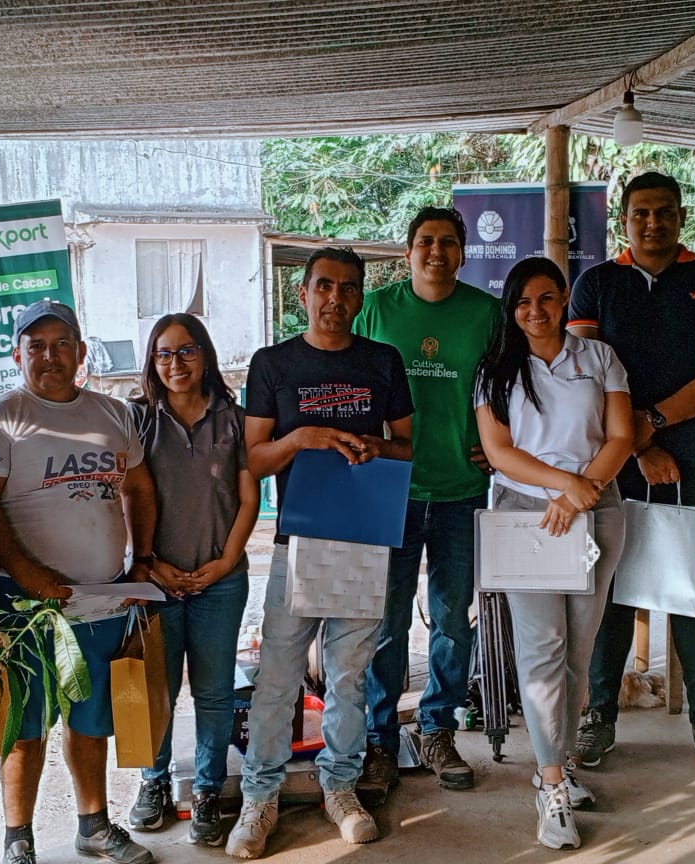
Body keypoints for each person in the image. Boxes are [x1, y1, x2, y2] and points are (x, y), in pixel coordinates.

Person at [225, 247, 413, 860]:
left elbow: (408, 447)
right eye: (324, 286)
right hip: (298, 541)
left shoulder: (382, 361)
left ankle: (341, 788)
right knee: (278, 677)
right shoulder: (273, 363)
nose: (335, 298)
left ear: (361, 297)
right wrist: (302, 437)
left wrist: (376, 449)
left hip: (363, 537)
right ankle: (260, 797)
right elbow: (254, 458)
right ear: (303, 293)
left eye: (348, 288)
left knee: (349, 677)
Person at [567, 171, 695, 774]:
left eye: (664, 210)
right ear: (623, 220)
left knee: (690, 590)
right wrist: (638, 447)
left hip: (693, 460)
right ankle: (599, 716)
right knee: (612, 588)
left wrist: (651, 422)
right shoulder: (596, 284)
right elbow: (584, 380)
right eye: (640, 212)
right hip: (613, 461)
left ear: (682, 216)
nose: (652, 222)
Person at [0, 300, 158, 864]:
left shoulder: (113, 414)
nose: (49, 356)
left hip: (102, 600)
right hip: (26, 606)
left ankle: (93, 826)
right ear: (17, 355)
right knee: (24, 726)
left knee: (91, 721)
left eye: (61, 344)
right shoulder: (0, 419)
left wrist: (141, 560)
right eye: (36, 346)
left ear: (80, 352)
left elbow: (138, 488)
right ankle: (17, 839)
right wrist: (29, 575)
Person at [474, 257, 632, 849]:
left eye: (545, 298)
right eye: (522, 301)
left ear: (565, 298)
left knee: (577, 651)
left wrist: (581, 493)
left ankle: (559, 762)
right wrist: (565, 488)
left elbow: (621, 436)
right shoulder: (494, 370)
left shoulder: (599, 358)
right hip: (527, 515)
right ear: (510, 308)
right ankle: (550, 783)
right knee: (541, 647)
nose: (534, 311)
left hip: (597, 510)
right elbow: (500, 452)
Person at [353, 205, 499, 800]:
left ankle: (438, 729)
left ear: (462, 253)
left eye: (447, 242)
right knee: (386, 623)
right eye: (425, 241)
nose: (436, 251)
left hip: (462, 488)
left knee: (452, 620)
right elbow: (348, 382)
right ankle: (380, 740)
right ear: (408, 251)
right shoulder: (376, 310)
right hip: (391, 488)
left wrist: (502, 443)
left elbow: (513, 385)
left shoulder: (486, 313)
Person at [123, 313, 257, 847]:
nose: (175, 363)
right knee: (153, 689)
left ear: (205, 355)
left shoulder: (235, 419)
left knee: (214, 690)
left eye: (186, 351)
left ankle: (206, 789)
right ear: (152, 362)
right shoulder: (137, 420)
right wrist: (150, 563)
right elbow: (122, 496)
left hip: (218, 581)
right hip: (154, 580)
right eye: (164, 353)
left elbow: (248, 498)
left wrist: (226, 562)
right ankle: (152, 781)